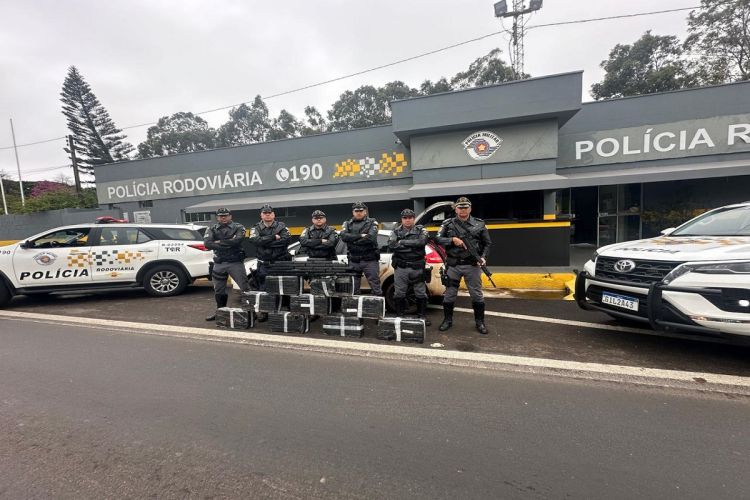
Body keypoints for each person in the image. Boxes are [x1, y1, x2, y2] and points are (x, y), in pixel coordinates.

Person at [436, 197, 492, 334]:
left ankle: (480, 322)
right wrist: (452, 240)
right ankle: (447, 320)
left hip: (472, 266)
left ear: (470, 209)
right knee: (449, 294)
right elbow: (437, 239)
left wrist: (483, 257)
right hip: (453, 265)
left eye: (465, 207)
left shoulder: (479, 224)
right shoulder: (447, 224)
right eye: (460, 208)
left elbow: (487, 244)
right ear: (456, 209)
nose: (463, 210)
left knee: (477, 295)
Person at [204, 208, 249, 321]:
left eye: (225, 215)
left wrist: (218, 242)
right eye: (220, 216)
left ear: (230, 216)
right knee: (219, 290)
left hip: (235, 263)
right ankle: (220, 312)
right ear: (217, 217)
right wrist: (229, 242)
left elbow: (237, 241)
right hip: (219, 263)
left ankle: (250, 312)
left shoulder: (239, 227)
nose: (223, 217)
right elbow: (207, 244)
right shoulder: (212, 228)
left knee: (245, 288)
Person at [248, 204, 292, 320]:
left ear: (273, 214)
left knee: (284, 285)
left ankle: (286, 308)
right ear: (261, 215)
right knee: (264, 288)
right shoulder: (255, 227)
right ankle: (265, 312)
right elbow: (254, 240)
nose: (267, 215)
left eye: (270, 213)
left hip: (281, 261)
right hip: (265, 263)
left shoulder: (282, 226)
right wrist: (273, 237)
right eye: (265, 213)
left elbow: (286, 240)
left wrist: (265, 242)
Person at [388, 208, 431, 326]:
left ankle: (422, 316)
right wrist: (413, 246)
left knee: (420, 293)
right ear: (402, 219)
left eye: (410, 218)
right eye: (405, 218)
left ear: (413, 218)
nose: (407, 220)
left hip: (417, 267)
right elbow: (392, 245)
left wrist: (402, 242)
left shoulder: (421, 230)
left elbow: (422, 242)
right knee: (399, 293)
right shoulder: (396, 231)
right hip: (401, 267)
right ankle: (400, 316)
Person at [340, 201, 382, 296]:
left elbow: (371, 238)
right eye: (356, 211)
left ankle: (378, 308)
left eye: (361, 210)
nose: (358, 212)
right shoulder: (347, 223)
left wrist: (353, 240)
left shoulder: (372, 222)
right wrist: (360, 235)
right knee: (353, 288)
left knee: (375, 286)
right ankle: (355, 309)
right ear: (353, 212)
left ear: (365, 212)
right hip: (354, 259)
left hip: (369, 259)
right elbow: (343, 237)